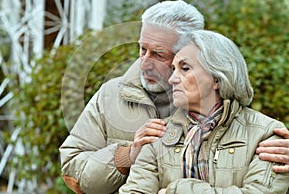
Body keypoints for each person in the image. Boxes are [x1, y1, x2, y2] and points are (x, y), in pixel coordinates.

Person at [59, 0, 289, 194]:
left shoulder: (261, 130)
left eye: (159, 54)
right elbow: (72, 173)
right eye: (142, 49)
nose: (144, 63)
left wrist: (177, 190)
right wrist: (127, 156)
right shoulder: (111, 94)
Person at [119, 30, 289, 194]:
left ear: (216, 78)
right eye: (173, 69)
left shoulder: (266, 133)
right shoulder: (158, 134)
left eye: (184, 68)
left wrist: (175, 191)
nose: (172, 79)